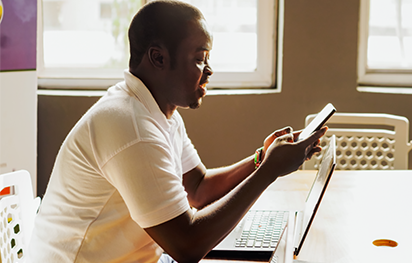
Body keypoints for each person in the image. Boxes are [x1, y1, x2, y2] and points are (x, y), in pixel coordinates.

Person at [28, 1, 327, 262]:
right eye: (199, 57)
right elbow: (186, 246)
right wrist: (269, 171)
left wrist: (262, 158)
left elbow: (197, 188)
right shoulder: (131, 127)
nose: (209, 70)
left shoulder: (159, 112)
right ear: (158, 58)